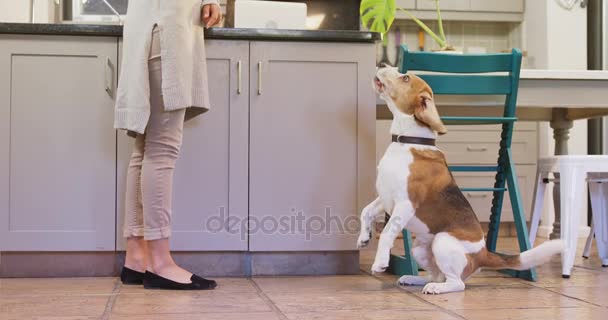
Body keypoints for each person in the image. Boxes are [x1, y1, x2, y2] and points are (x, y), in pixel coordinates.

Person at [114, 0, 221, 290]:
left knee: (145, 147)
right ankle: (160, 263)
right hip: (166, 26)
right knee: (161, 148)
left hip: (153, 23)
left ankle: (137, 257)